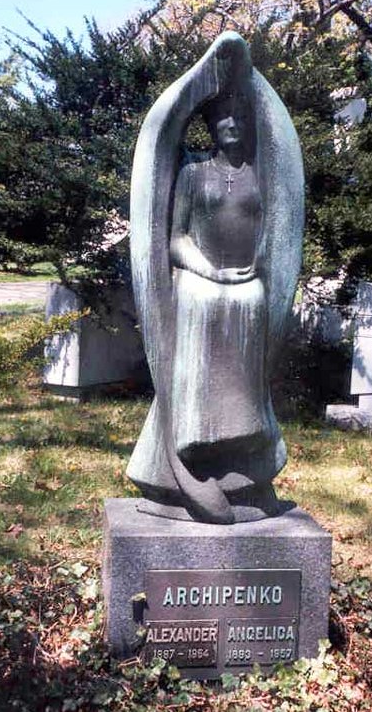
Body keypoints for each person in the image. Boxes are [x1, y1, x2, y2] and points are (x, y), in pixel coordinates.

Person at [127, 32, 304, 524]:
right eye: (222, 118)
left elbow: (276, 235)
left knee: (248, 312)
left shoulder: (259, 177)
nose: (231, 124)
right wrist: (205, 267)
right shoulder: (193, 175)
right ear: (209, 125)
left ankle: (241, 464)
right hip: (198, 285)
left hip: (246, 288)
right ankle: (188, 458)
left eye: (239, 118)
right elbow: (175, 238)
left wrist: (247, 272)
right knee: (203, 308)